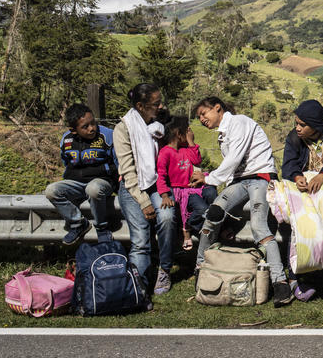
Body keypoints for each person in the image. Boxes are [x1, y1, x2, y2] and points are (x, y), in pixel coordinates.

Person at [193, 96, 293, 307]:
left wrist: (209, 178)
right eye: (199, 117)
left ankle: (280, 281)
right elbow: (233, 171)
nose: (201, 119)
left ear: (217, 108)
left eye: (203, 113)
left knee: (258, 226)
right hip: (240, 182)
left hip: (261, 178)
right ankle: (200, 268)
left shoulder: (239, 122)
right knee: (213, 214)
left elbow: (233, 159)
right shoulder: (222, 135)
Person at [280, 99, 323, 302]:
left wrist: (322, 175)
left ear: (316, 126)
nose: (298, 128)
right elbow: (288, 165)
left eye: (303, 125)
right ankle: (296, 277)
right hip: (304, 193)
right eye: (296, 123)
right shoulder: (294, 138)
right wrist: (297, 176)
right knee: (299, 228)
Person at [112, 82, 177, 294]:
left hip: (157, 183)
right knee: (140, 239)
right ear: (140, 106)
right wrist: (143, 201)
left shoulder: (160, 124)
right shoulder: (124, 129)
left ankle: (164, 269)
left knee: (167, 218)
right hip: (133, 186)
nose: (160, 106)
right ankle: (138, 288)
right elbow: (128, 170)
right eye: (155, 104)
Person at [45, 103, 117, 245]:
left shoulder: (107, 135)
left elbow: (117, 162)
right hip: (77, 182)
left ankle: (102, 228)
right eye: (85, 126)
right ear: (74, 130)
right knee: (51, 191)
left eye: (93, 123)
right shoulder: (66, 140)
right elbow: (66, 162)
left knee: (93, 189)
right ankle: (78, 223)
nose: (92, 128)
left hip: (103, 181)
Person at [155, 115, 215, 251]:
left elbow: (197, 160)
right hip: (180, 193)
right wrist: (164, 195)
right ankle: (187, 226)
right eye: (187, 131)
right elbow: (161, 175)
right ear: (178, 134)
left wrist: (191, 142)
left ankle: (194, 226)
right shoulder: (165, 152)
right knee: (202, 209)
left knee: (207, 203)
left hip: (191, 189)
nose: (190, 133)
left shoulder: (186, 149)